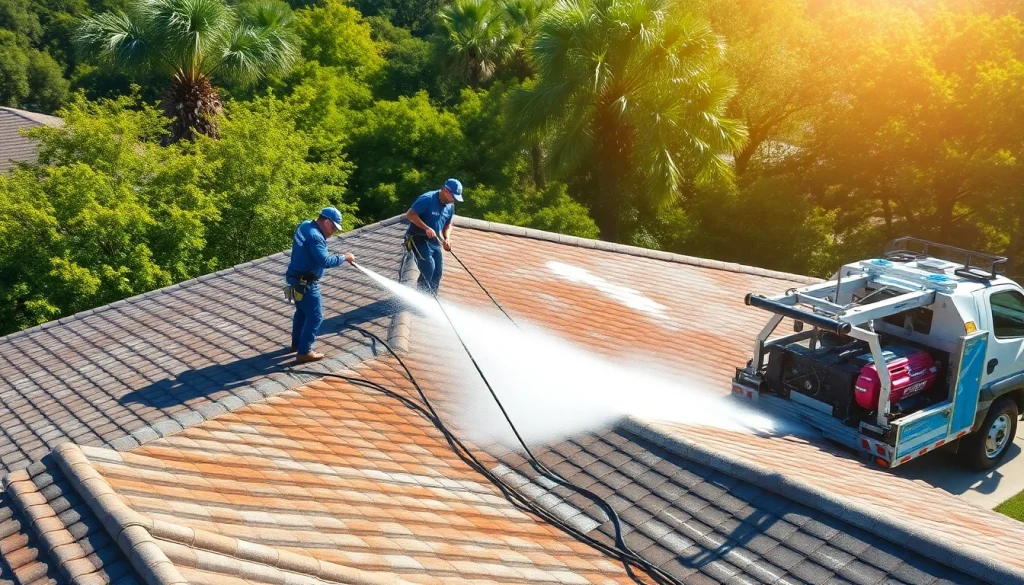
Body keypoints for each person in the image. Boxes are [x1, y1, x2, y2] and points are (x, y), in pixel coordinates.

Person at [284, 207, 355, 363]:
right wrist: (344, 257)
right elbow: (324, 261)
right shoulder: (316, 237)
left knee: (302, 312)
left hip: (293, 279)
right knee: (316, 316)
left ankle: (296, 344)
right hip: (305, 283)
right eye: (333, 227)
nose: (333, 232)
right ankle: (304, 352)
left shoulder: (305, 225)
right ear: (326, 221)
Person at [405, 178, 463, 293]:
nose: (454, 201)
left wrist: (447, 239)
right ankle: (421, 297)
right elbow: (410, 215)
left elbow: (448, 225)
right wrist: (426, 228)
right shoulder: (427, 199)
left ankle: (432, 297)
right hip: (417, 238)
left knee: (438, 271)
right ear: (446, 191)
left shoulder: (450, 206)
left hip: (434, 242)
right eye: (453, 197)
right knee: (428, 268)